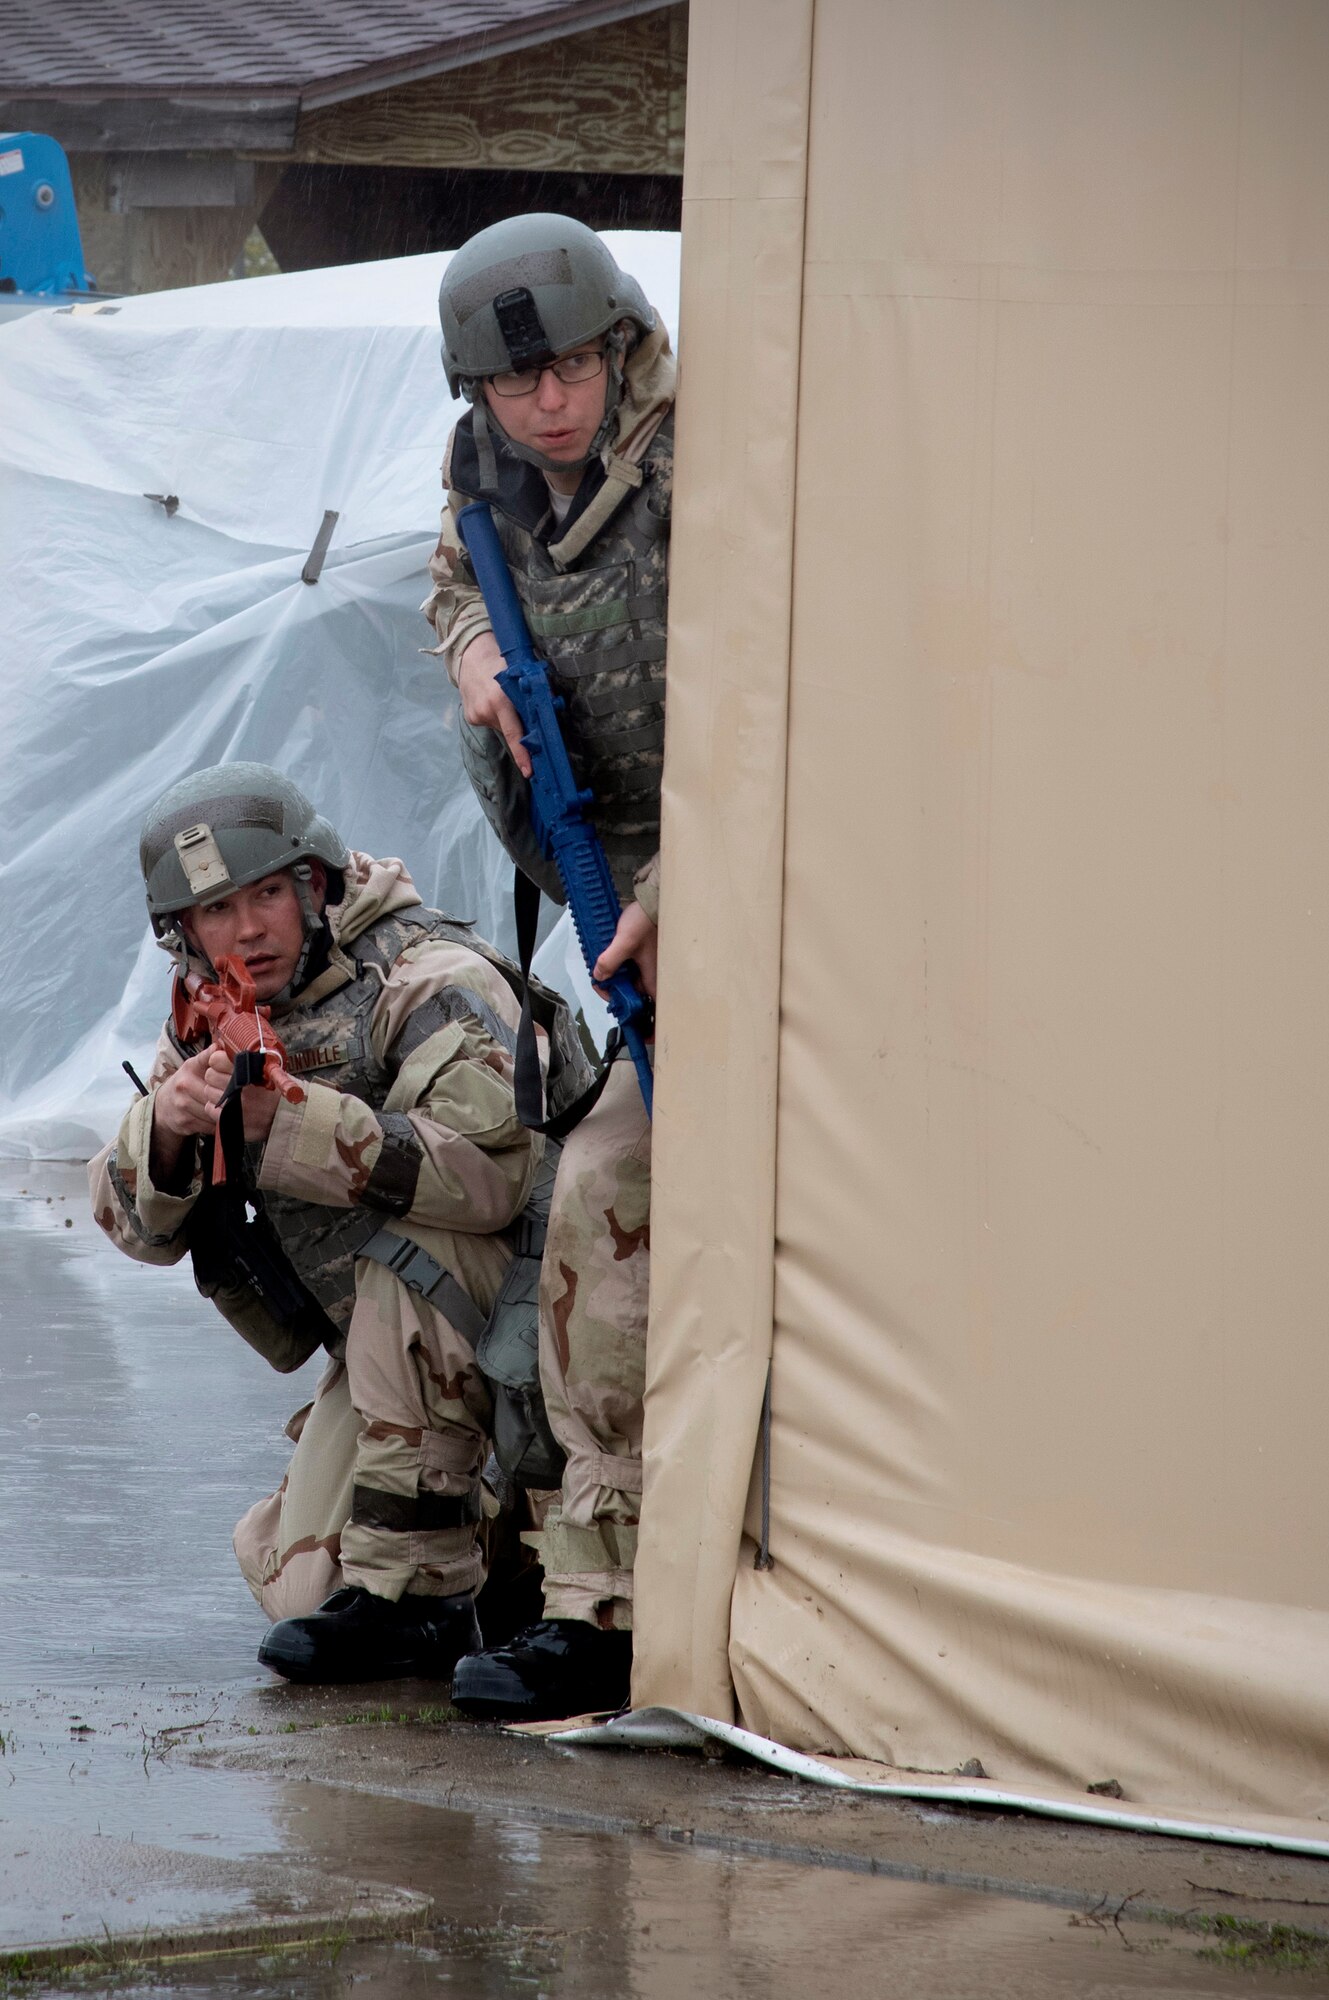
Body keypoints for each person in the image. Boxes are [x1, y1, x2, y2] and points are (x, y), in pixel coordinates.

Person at [89, 761, 587, 1685]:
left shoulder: (427, 975)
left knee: (418, 1248)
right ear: (183, 932)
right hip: (396, 1359)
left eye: (266, 894)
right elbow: (132, 1229)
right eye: (214, 912)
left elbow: (490, 1181)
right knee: (306, 1592)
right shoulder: (213, 1011)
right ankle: (495, 1561)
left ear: (312, 885)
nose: (244, 929)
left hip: (546, 1338)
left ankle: (424, 1597)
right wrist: (165, 1132)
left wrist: (289, 1125)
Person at [423, 214, 670, 1719]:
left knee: (607, 1192)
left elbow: (812, 685)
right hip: (618, 908)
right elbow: (453, 579)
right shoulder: (482, 478)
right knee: (598, 1204)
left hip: (769, 878)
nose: (551, 405)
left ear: (617, 343)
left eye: (571, 365)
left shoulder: (718, 462)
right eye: (518, 386)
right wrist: (471, 658)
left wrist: (689, 873)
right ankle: (597, 1597)